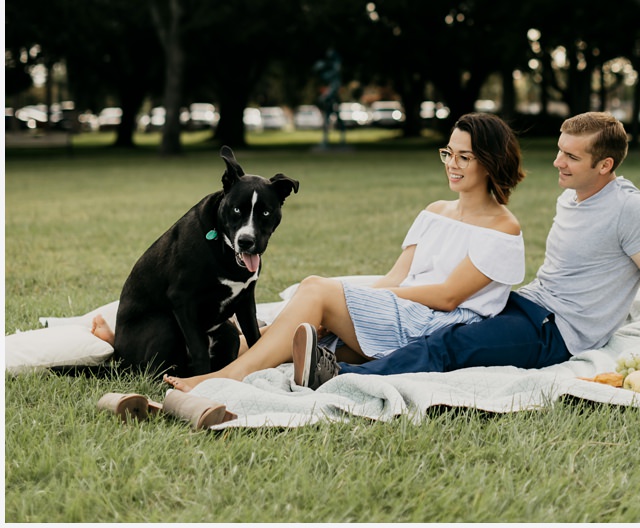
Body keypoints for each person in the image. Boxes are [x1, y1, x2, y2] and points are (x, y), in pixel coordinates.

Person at [291, 110, 640, 388]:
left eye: (571, 157)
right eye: (559, 150)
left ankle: (337, 377)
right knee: (438, 322)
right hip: (530, 303)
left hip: (558, 332)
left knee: (449, 346)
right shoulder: (573, 196)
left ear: (605, 166)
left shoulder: (634, 211)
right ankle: (321, 346)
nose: (558, 162)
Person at [160, 112, 526, 392]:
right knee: (284, 332)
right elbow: (396, 278)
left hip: (438, 325)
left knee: (317, 290)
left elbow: (447, 298)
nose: (452, 164)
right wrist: (357, 303)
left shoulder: (502, 227)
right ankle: (141, 347)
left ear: (490, 161)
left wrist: (351, 299)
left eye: (465, 157)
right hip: (403, 310)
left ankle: (223, 379)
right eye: (449, 153)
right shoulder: (435, 211)